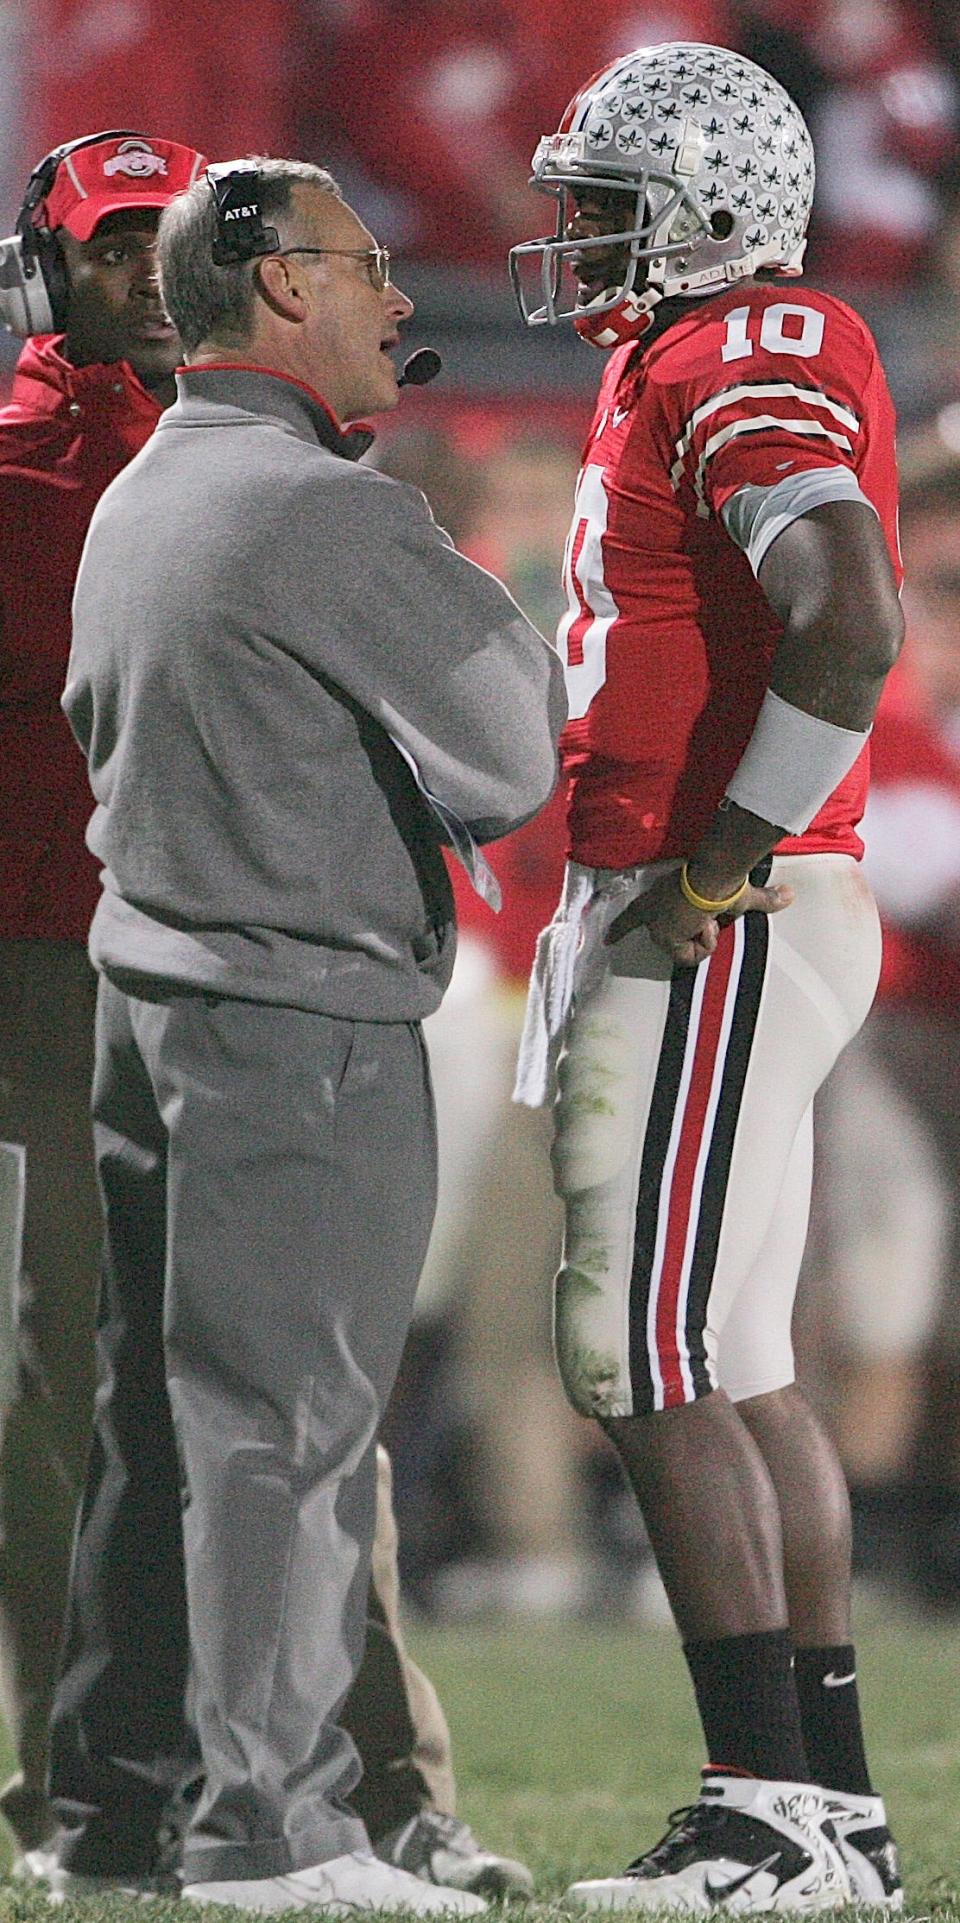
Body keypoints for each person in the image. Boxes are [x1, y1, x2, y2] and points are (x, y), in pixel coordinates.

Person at [0, 138, 559, 1907]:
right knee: (285, 1436)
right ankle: (273, 1828)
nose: (402, 294)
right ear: (282, 286)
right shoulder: (318, 502)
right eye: (365, 259)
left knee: (156, 1428)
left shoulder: (145, 478)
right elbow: (517, 743)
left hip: (149, 1000)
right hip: (288, 1015)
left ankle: (105, 1806)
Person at [509, 41, 905, 1912]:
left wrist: (727, 851)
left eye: (608, 202)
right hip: (722, 899)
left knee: (641, 1348)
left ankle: (765, 1801)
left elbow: (846, 611)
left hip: (719, 903)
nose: (574, 235)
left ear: (710, 207)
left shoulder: (744, 346)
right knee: (730, 1357)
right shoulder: (666, 358)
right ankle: (826, 1808)